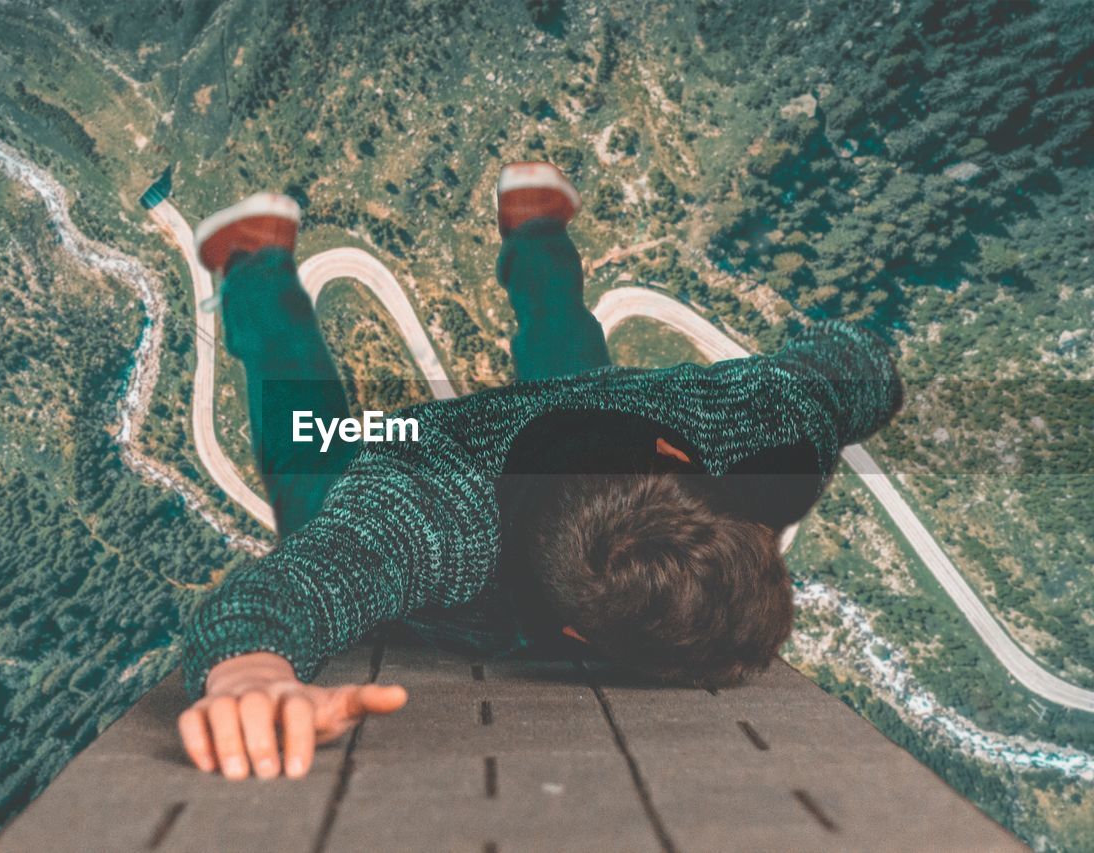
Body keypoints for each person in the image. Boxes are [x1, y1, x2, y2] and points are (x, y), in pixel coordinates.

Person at [176, 162, 904, 780]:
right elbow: (305, 579)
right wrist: (249, 673)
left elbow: (855, 363)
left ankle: (532, 233)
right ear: (575, 639)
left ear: (678, 457)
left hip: (596, 420)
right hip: (421, 443)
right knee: (315, 449)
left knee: (576, 379)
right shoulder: (436, 515)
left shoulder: (751, 424)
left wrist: (872, 379)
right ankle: (256, 267)